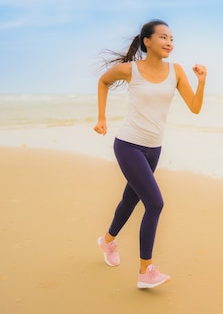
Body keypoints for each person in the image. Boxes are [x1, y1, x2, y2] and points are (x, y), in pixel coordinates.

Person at [93, 19, 206, 288]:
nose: (169, 42)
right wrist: (101, 118)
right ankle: (146, 271)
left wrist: (201, 82)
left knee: (130, 200)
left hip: (154, 148)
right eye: (163, 37)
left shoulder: (176, 71)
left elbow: (195, 107)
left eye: (172, 38)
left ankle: (107, 241)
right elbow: (103, 81)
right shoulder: (130, 69)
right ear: (147, 41)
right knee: (155, 203)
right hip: (128, 144)